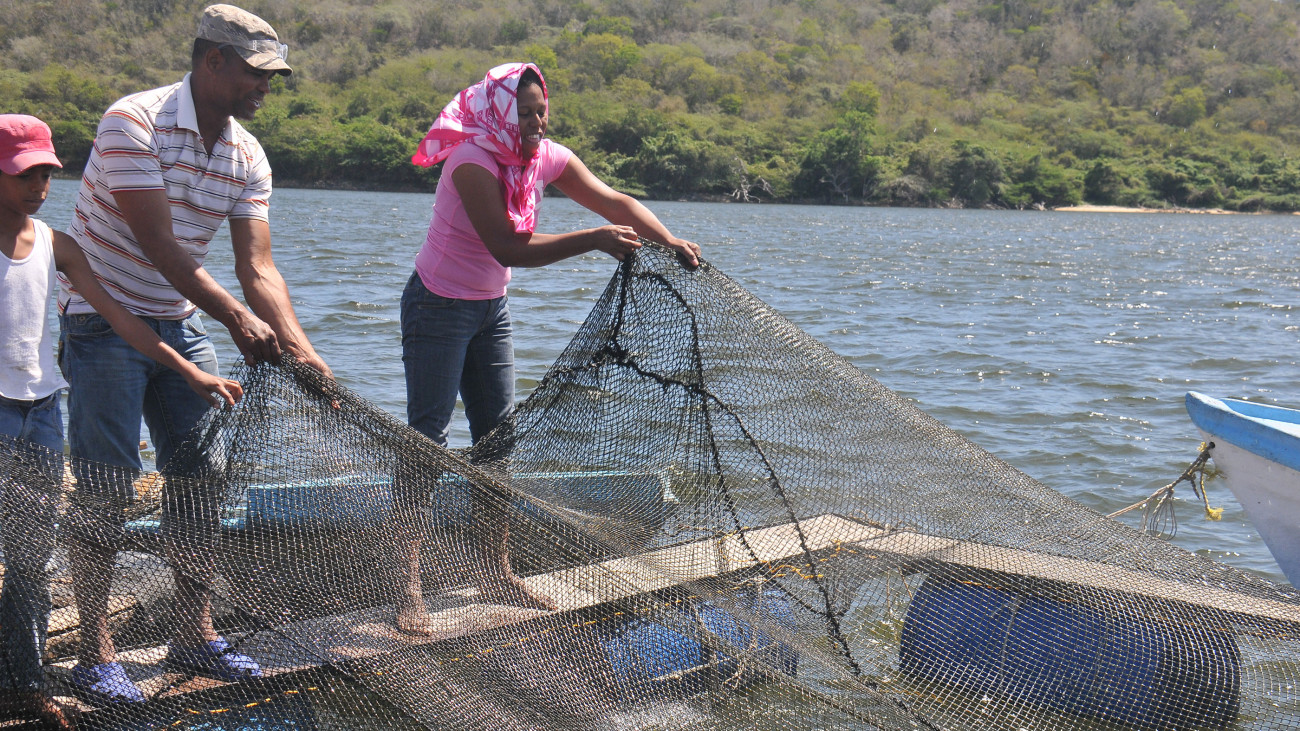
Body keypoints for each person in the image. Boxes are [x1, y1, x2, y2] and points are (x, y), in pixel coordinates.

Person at [58, 5, 330, 705]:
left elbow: (258, 268)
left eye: (272, 76)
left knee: (202, 477)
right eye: (255, 73)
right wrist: (237, 318)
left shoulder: (247, 155)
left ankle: (192, 631)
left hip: (180, 320)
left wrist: (302, 350)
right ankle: (94, 652)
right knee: (107, 484)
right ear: (213, 61)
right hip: (101, 319)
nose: (265, 87)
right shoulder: (132, 122)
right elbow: (159, 244)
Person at [397, 62, 700, 633]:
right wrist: (593, 241)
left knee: (498, 439)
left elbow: (614, 201)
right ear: (500, 114)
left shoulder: (542, 157)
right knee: (427, 441)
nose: (538, 122)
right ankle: (408, 586)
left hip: (490, 309)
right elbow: (508, 247)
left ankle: (495, 571)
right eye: (526, 113)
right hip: (437, 306)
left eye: (542, 111)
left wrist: (668, 240)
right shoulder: (471, 162)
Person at [0, 115, 242, 726]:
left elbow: (119, 317)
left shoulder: (58, 245)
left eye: (46, 174)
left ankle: (24, 684)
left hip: (41, 413)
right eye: (24, 175)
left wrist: (189, 372)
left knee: (31, 556)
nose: (38, 186)